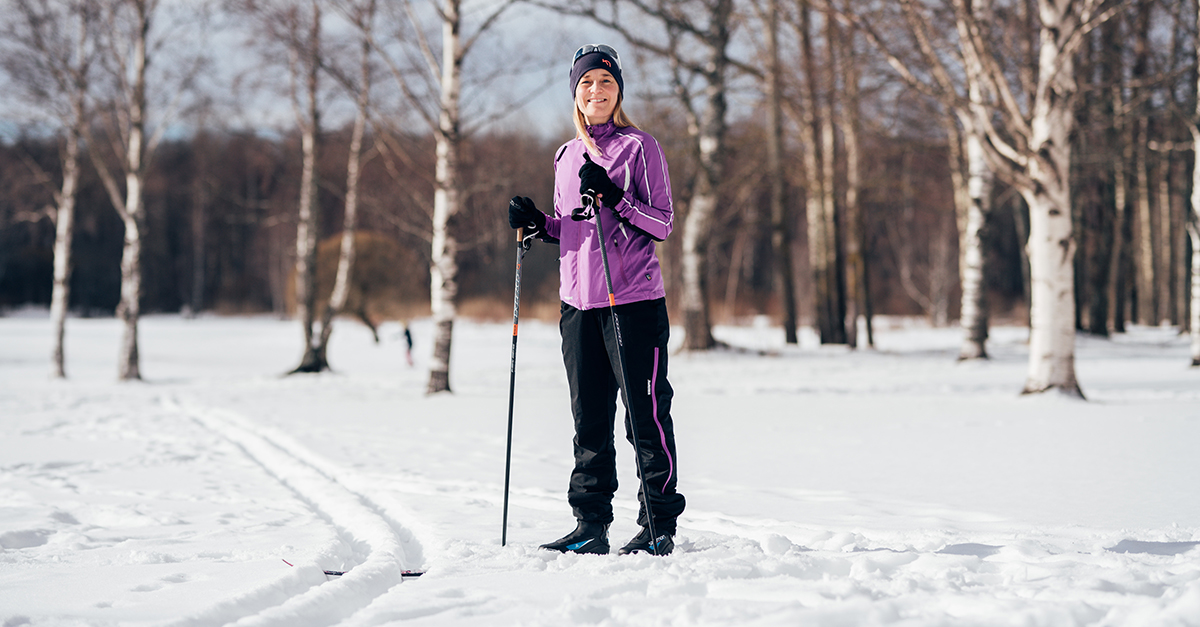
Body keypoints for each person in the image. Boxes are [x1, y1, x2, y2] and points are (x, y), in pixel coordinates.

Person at [508, 44, 685, 556]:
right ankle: (590, 525)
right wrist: (538, 223)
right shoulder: (565, 155)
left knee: (644, 415)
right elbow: (573, 229)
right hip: (578, 306)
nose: (596, 91)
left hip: (631, 301)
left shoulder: (641, 147)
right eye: (587, 83)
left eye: (605, 83)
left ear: (618, 91)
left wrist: (616, 197)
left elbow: (662, 223)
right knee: (588, 418)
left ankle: (657, 525)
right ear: (576, 93)